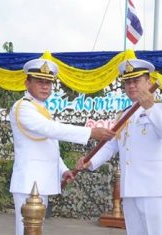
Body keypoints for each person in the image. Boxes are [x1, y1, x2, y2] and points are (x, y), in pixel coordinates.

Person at [9, 58, 115, 235]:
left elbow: (48, 146)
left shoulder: (41, 109)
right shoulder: (22, 108)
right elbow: (52, 130)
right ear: (27, 82)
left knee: (37, 230)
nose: (45, 86)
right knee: (26, 231)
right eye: (40, 82)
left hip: (40, 181)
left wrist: (63, 170)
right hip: (28, 182)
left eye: (48, 82)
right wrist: (89, 133)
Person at [76, 59, 162, 235]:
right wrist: (89, 161)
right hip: (130, 187)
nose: (131, 86)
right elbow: (112, 145)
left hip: (154, 188)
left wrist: (150, 108)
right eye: (127, 82)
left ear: (149, 82)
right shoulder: (124, 114)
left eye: (136, 81)